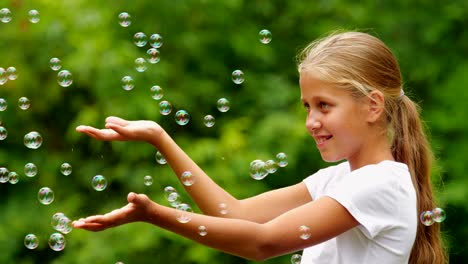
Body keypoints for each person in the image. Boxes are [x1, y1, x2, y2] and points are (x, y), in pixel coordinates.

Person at [72, 31, 446, 263]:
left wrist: (154, 214)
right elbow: (233, 214)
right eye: (307, 107)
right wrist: (160, 138)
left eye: (324, 105)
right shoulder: (337, 180)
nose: (310, 121)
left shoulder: (379, 184)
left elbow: (261, 243)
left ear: (373, 105)